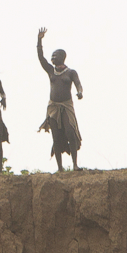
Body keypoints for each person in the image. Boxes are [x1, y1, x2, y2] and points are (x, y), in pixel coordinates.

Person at [34, 26, 84, 171]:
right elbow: (40, 58)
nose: (52, 58)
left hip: (66, 106)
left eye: (55, 56)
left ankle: (75, 165)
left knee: (70, 132)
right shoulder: (51, 70)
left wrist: (80, 92)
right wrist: (39, 40)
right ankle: (60, 168)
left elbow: (78, 84)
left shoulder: (71, 72)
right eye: (52, 56)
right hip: (53, 107)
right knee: (55, 136)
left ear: (62, 57)